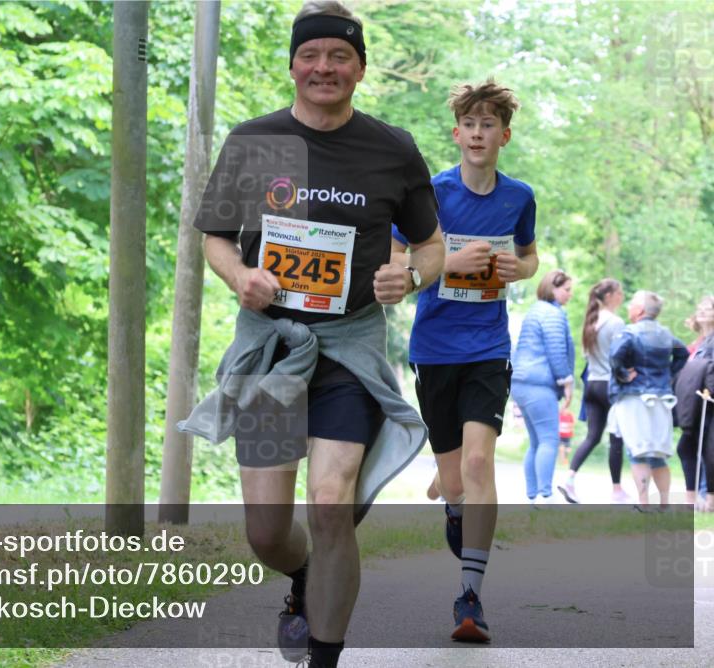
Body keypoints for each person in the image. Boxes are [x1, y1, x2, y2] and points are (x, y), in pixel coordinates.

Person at [180, 2, 445, 665]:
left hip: (348, 352)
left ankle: (325, 656)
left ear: (359, 67)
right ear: (293, 65)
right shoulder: (256, 141)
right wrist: (240, 275)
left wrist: (409, 275)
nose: (324, 67)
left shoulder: (391, 149)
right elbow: (214, 237)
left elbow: (433, 244)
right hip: (272, 353)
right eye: (311, 55)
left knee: (330, 505)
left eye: (339, 56)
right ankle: (302, 577)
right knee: (268, 533)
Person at [392, 79, 539, 642]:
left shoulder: (519, 197)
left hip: (487, 347)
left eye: (488, 126)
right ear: (457, 134)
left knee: (480, 466)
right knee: (456, 481)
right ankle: (452, 500)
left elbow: (529, 257)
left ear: (504, 135)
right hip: (434, 349)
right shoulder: (431, 192)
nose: (478, 134)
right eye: (469, 125)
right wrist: (452, 259)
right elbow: (401, 256)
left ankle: (470, 597)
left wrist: (518, 271)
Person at [608, 291, 689, 508]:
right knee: (658, 453)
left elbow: (615, 357)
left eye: (632, 304)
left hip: (635, 398)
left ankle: (643, 503)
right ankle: (664, 503)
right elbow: (683, 354)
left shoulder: (629, 333)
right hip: (662, 399)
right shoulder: (666, 334)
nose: (628, 307)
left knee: (639, 452)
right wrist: (668, 375)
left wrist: (624, 375)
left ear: (640, 310)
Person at [558, 278, 631, 504]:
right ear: (609, 296)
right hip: (610, 384)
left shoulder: (591, 321)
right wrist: (627, 375)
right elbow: (619, 357)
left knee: (592, 436)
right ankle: (617, 490)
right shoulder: (616, 322)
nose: (622, 297)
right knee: (615, 437)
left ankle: (569, 480)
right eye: (619, 293)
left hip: (592, 385)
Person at [511, 270, 576, 504]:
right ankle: (545, 495)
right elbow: (557, 352)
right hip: (539, 384)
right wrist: (566, 382)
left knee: (536, 441)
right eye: (566, 289)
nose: (569, 295)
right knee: (550, 439)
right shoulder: (552, 314)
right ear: (553, 288)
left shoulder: (535, 310)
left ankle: (532, 495)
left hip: (521, 382)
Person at [674, 295, 714, 511]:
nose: (702, 310)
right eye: (700, 307)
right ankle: (694, 498)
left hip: (709, 403)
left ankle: (705, 499)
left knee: (707, 450)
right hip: (695, 404)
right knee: (688, 448)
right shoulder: (699, 343)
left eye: (708, 307)